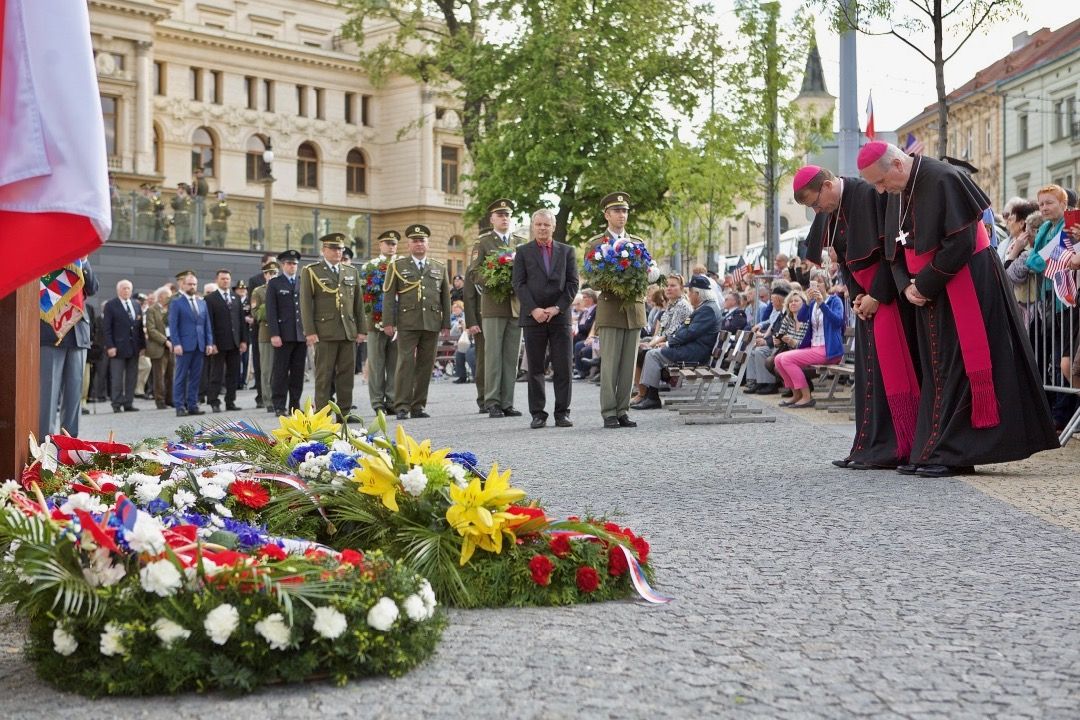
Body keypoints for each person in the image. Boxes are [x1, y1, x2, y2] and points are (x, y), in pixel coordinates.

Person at [858, 140, 1058, 477]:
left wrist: (923, 284)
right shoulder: (897, 192)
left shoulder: (943, 178)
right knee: (937, 369)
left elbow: (962, 241)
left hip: (967, 284)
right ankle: (933, 448)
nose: (880, 191)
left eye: (880, 181)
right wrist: (907, 284)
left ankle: (956, 452)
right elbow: (894, 248)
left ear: (895, 165)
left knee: (962, 366)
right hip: (930, 291)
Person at [793, 163, 918, 469]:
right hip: (867, 302)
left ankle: (898, 446)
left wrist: (876, 295)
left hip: (888, 299)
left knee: (892, 373)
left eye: (814, 202)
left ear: (826, 186)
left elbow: (890, 253)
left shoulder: (869, 194)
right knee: (868, 377)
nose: (816, 209)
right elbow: (846, 260)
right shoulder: (832, 210)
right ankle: (869, 447)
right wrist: (857, 295)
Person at [591, 192, 658, 429]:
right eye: (617, 211)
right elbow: (592, 279)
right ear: (607, 214)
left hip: (634, 310)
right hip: (611, 309)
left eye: (625, 211)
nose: (622, 215)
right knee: (609, 364)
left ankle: (622, 410)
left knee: (629, 365)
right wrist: (615, 279)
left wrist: (648, 275)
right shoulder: (597, 243)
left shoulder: (637, 243)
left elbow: (651, 272)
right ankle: (609, 411)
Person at [512, 208, 579, 428]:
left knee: (563, 366)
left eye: (546, 225)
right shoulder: (522, 252)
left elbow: (572, 284)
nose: (542, 228)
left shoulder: (567, 251)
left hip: (560, 317)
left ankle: (562, 412)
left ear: (553, 227)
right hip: (534, 318)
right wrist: (534, 309)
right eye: (538, 224)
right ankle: (538, 414)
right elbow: (518, 284)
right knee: (536, 367)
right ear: (533, 226)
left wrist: (557, 308)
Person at [382, 224, 451, 420]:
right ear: (409, 244)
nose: (419, 244)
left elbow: (445, 297)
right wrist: (388, 322)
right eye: (415, 241)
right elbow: (388, 297)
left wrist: (446, 323)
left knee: (425, 365)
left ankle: (418, 405)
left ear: (427, 243)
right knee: (405, 363)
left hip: (431, 322)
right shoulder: (397, 266)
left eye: (422, 240)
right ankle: (402, 406)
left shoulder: (439, 267)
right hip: (407, 322)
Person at [468, 199, 525, 418]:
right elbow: (474, 273)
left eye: (507, 215)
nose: (504, 219)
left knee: (511, 356)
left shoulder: (520, 242)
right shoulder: (483, 242)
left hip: (515, 306)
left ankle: (507, 402)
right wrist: (495, 278)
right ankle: (492, 401)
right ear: (492, 219)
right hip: (492, 304)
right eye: (500, 215)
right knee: (492, 356)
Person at [633, 276, 722, 410]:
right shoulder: (704, 307)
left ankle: (652, 398)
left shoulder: (707, 309)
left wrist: (669, 344)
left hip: (695, 354)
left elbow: (690, 333)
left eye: (690, 292)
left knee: (652, 355)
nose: (689, 295)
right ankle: (647, 395)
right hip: (691, 349)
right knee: (650, 353)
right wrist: (671, 341)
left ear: (698, 293)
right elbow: (684, 329)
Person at [300, 234, 366, 415]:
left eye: (340, 249)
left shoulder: (351, 271)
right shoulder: (312, 271)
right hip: (325, 332)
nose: (338, 252)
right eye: (334, 248)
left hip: (347, 331)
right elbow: (306, 303)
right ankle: (323, 414)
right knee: (324, 376)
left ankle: (344, 413)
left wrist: (362, 329)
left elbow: (358, 304)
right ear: (324, 251)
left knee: (346, 376)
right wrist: (310, 331)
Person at [39, 259, 99, 437]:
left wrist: (85, 261)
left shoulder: (79, 259)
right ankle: (45, 443)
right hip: (52, 330)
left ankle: (69, 441)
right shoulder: (49, 255)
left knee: (75, 393)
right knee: (48, 393)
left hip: (78, 331)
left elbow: (93, 287)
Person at [772, 279, 844, 409]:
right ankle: (796, 394)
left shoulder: (835, 301)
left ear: (827, 285)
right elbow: (801, 317)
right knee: (778, 359)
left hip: (829, 349)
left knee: (787, 359)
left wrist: (822, 304)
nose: (816, 286)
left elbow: (838, 322)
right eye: (814, 283)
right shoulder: (812, 304)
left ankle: (806, 397)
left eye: (820, 282)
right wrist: (807, 301)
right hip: (814, 347)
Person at [631, 275, 692, 405]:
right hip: (666, 342)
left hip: (677, 346)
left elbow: (670, 333)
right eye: (667, 285)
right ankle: (642, 394)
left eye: (673, 285)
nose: (668, 288)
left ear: (681, 288)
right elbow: (660, 331)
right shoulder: (671, 305)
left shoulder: (682, 305)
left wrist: (650, 344)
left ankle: (648, 395)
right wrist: (650, 342)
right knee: (637, 350)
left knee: (643, 352)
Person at [363, 230, 400, 414]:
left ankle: (392, 400)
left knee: (394, 364)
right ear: (380, 245)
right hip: (375, 321)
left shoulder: (402, 265)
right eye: (388, 243)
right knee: (377, 364)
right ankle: (377, 402)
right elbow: (365, 296)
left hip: (398, 322)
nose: (391, 247)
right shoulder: (370, 266)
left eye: (394, 244)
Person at [266, 250, 307, 415]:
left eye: (295, 264)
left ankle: (295, 405)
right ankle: (279, 405)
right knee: (281, 372)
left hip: (300, 334)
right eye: (289, 263)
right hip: (283, 334)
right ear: (283, 265)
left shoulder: (302, 281)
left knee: (298, 373)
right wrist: (274, 334)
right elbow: (271, 310)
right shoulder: (275, 283)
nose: (292, 266)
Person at [168, 272, 214, 416]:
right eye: (189, 284)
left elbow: (207, 325)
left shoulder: (202, 302)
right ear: (183, 284)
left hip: (199, 345)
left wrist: (209, 343)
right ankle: (180, 406)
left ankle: (193, 405)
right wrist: (176, 343)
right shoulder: (176, 302)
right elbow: (173, 325)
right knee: (181, 376)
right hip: (183, 345)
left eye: (194, 284)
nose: (192, 286)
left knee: (195, 377)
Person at [204, 269, 249, 412]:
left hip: (235, 342)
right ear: (217, 280)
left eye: (228, 279)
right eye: (223, 279)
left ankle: (230, 401)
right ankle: (213, 401)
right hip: (219, 343)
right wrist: (212, 342)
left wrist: (243, 340)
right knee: (216, 373)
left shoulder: (235, 298)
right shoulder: (210, 299)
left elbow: (241, 321)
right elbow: (209, 322)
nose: (225, 281)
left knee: (233, 373)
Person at [102, 279, 145, 413]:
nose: (126, 291)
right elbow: (107, 328)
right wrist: (110, 346)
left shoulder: (136, 305)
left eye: (128, 288)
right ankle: (116, 403)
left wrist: (143, 346)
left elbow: (139, 328)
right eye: (124, 288)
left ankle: (128, 403)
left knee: (132, 377)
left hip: (134, 347)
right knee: (117, 377)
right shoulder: (111, 305)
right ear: (118, 290)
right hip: (117, 347)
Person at [247, 252, 277, 408]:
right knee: (266, 369)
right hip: (266, 333)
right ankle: (267, 399)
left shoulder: (282, 287)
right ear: (265, 275)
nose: (272, 276)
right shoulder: (258, 291)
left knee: (280, 370)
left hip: (282, 334)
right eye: (269, 273)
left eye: (274, 273)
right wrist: (270, 308)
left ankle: (279, 397)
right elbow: (255, 313)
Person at [144, 286, 174, 409]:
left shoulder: (172, 309)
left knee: (171, 375)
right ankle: (160, 400)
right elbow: (151, 329)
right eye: (168, 296)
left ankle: (170, 399)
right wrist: (165, 341)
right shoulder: (152, 310)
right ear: (161, 297)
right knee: (159, 376)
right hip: (159, 347)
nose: (170, 299)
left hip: (172, 347)